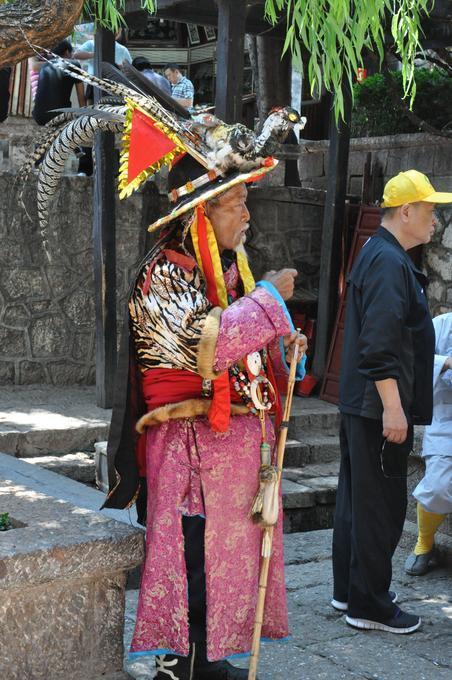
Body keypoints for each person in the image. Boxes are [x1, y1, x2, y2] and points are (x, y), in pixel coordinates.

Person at [102, 119, 306, 676]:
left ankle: (209, 655)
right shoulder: (161, 276)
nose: (247, 213)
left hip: (233, 449)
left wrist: (283, 347)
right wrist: (268, 300)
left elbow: (245, 351)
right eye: (235, 202)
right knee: (194, 554)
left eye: (244, 200)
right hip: (190, 449)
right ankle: (185, 662)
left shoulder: (225, 274)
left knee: (226, 561)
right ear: (201, 211)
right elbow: (205, 347)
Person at [332, 169, 452, 634]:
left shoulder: (380, 252)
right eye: (430, 210)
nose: (435, 221)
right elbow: (380, 344)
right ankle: (370, 605)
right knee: (379, 505)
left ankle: (351, 591)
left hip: (363, 404)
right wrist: (394, 407)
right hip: (378, 407)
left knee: (356, 502)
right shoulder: (387, 261)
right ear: (407, 212)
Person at [405, 312, 452, 575]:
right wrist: (445, 362)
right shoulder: (439, 325)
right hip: (445, 418)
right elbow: (411, 356)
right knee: (437, 487)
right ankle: (424, 542)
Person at [32, 40, 86, 126]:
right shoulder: (74, 64)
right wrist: (84, 117)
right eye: (71, 53)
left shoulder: (45, 65)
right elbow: (81, 96)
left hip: (38, 116)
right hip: (58, 116)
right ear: (67, 52)